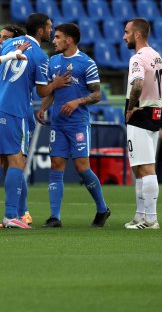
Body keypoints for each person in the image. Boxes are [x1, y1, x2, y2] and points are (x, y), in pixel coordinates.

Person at [37, 23, 111, 228]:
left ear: (69, 40)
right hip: (58, 123)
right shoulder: (53, 61)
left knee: (81, 167)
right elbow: (52, 92)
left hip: (78, 123)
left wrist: (77, 102)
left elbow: (97, 94)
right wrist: (43, 108)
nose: (53, 40)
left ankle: (103, 209)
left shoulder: (86, 63)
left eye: (58, 37)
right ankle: (55, 217)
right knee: (56, 165)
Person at [0, 13, 51, 229]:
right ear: (40, 31)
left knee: (0, 160)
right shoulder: (40, 56)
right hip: (14, 111)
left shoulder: (10, 43)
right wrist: (57, 84)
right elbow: (42, 91)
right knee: (17, 161)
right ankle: (11, 215)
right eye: (49, 27)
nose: (51, 30)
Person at [122, 18, 162, 230]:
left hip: (140, 113)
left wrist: (130, 108)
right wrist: (159, 99)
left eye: (126, 32)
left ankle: (151, 220)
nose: (124, 36)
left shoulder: (137, 58)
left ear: (137, 34)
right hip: (153, 113)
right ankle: (140, 215)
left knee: (146, 167)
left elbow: (137, 84)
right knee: (138, 166)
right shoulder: (156, 56)